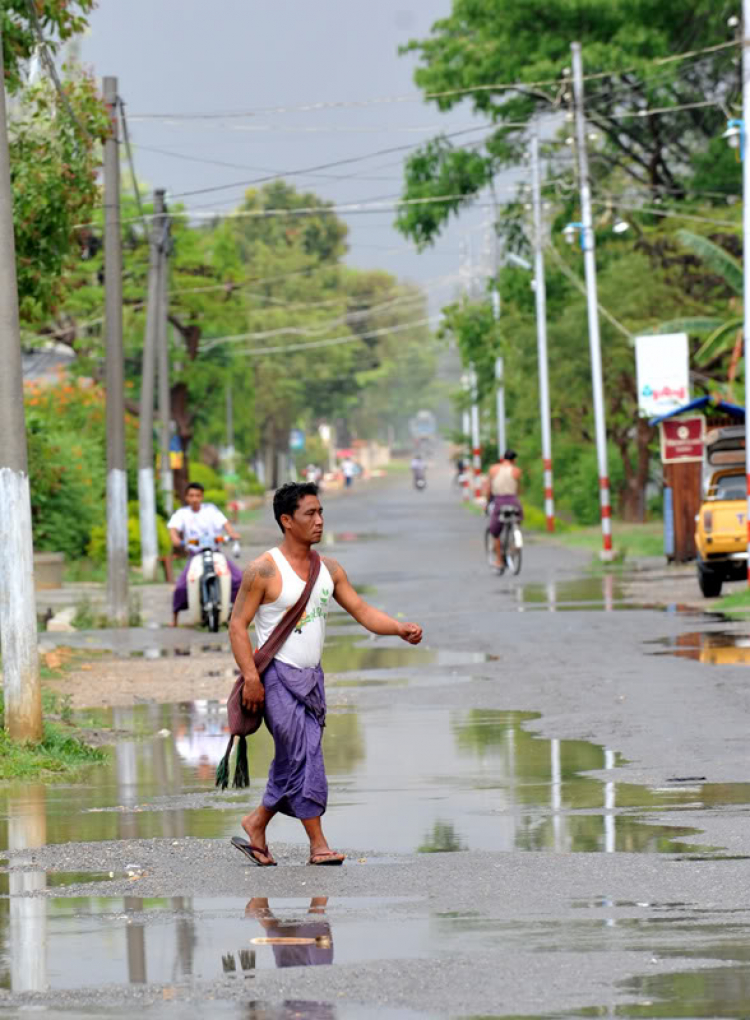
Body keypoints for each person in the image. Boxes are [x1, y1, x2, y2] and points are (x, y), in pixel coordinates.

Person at [228, 481, 423, 867]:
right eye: (309, 514)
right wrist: (251, 677)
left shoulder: (329, 569)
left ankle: (256, 823)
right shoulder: (263, 570)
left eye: (320, 513)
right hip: (276, 679)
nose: (318, 521)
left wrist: (398, 628)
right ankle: (318, 845)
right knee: (303, 754)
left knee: (294, 756)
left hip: (312, 681)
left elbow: (363, 611)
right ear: (286, 520)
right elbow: (237, 625)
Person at [169, 481, 243, 627]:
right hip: (195, 555)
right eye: (191, 495)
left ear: (202, 497)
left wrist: (232, 533)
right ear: (186, 497)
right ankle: (175, 619)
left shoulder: (211, 510)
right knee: (181, 586)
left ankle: (239, 615)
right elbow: (173, 529)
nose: (195, 498)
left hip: (215, 552)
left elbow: (225, 524)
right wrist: (176, 539)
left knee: (238, 579)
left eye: (198, 495)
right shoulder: (182, 514)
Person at [485, 449, 523, 570]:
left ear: (503, 458)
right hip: (513, 501)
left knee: (495, 531)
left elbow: (489, 488)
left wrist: (487, 502)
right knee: (518, 519)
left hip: (499, 501)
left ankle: (499, 560)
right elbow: (518, 489)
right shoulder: (516, 471)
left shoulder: (493, 469)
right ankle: (515, 541)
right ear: (514, 460)